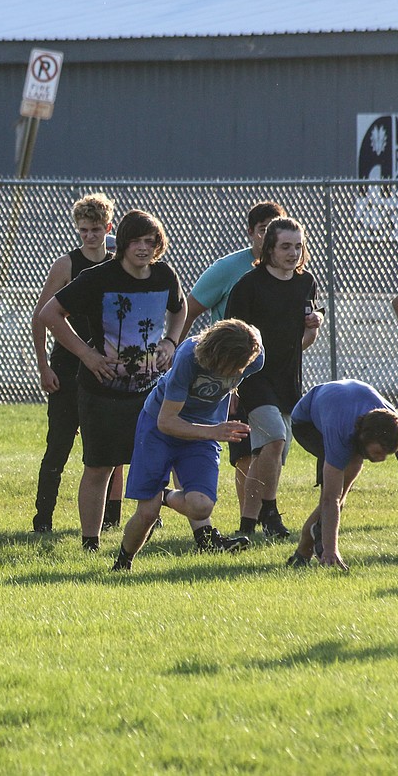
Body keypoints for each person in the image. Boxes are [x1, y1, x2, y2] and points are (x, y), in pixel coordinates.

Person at [40, 209, 185, 550]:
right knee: (99, 466)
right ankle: (90, 541)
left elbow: (179, 309)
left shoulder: (164, 275)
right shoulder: (98, 277)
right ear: (121, 243)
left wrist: (170, 342)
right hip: (102, 389)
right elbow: (49, 313)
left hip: (148, 390)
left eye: (150, 242)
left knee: (150, 462)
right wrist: (86, 355)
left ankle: (144, 529)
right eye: (135, 241)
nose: (143, 248)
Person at [112, 319, 262, 571]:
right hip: (159, 427)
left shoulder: (254, 357)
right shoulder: (188, 357)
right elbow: (167, 422)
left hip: (203, 430)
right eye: (229, 368)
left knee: (201, 506)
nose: (233, 374)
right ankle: (123, 563)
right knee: (147, 513)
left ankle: (164, 496)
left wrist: (228, 400)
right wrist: (214, 430)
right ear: (214, 355)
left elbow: (254, 333)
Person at [182, 201, 286, 520]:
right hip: (235, 373)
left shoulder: (288, 270)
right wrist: (173, 350)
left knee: (273, 447)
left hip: (274, 373)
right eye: (262, 231)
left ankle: (264, 513)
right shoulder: (230, 268)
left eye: (275, 231)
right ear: (251, 233)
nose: (269, 238)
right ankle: (249, 518)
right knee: (243, 449)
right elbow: (189, 308)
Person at [29, 194, 125, 533]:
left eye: (96, 230)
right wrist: (43, 366)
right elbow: (41, 316)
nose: (89, 237)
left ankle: (112, 518)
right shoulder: (66, 265)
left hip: (109, 367)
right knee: (59, 444)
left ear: (108, 228)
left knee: (111, 448)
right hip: (68, 365)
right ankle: (43, 519)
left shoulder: (118, 264)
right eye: (83, 230)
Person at [224, 217, 321, 538]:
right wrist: (232, 385)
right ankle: (270, 511)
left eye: (298, 246)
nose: (293, 253)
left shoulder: (305, 283)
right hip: (253, 378)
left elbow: (301, 343)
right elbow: (230, 340)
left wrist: (312, 327)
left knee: (268, 455)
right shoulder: (248, 285)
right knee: (275, 439)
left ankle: (249, 526)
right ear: (268, 249)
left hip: (287, 382)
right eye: (285, 247)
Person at [286, 380, 398, 570]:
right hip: (306, 421)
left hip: (348, 409)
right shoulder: (341, 430)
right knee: (342, 480)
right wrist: (331, 549)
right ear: (363, 437)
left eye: (388, 453)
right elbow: (330, 499)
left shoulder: (396, 429)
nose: (382, 459)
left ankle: (303, 551)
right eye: (378, 452)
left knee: (345, 482)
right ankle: (316, 544)